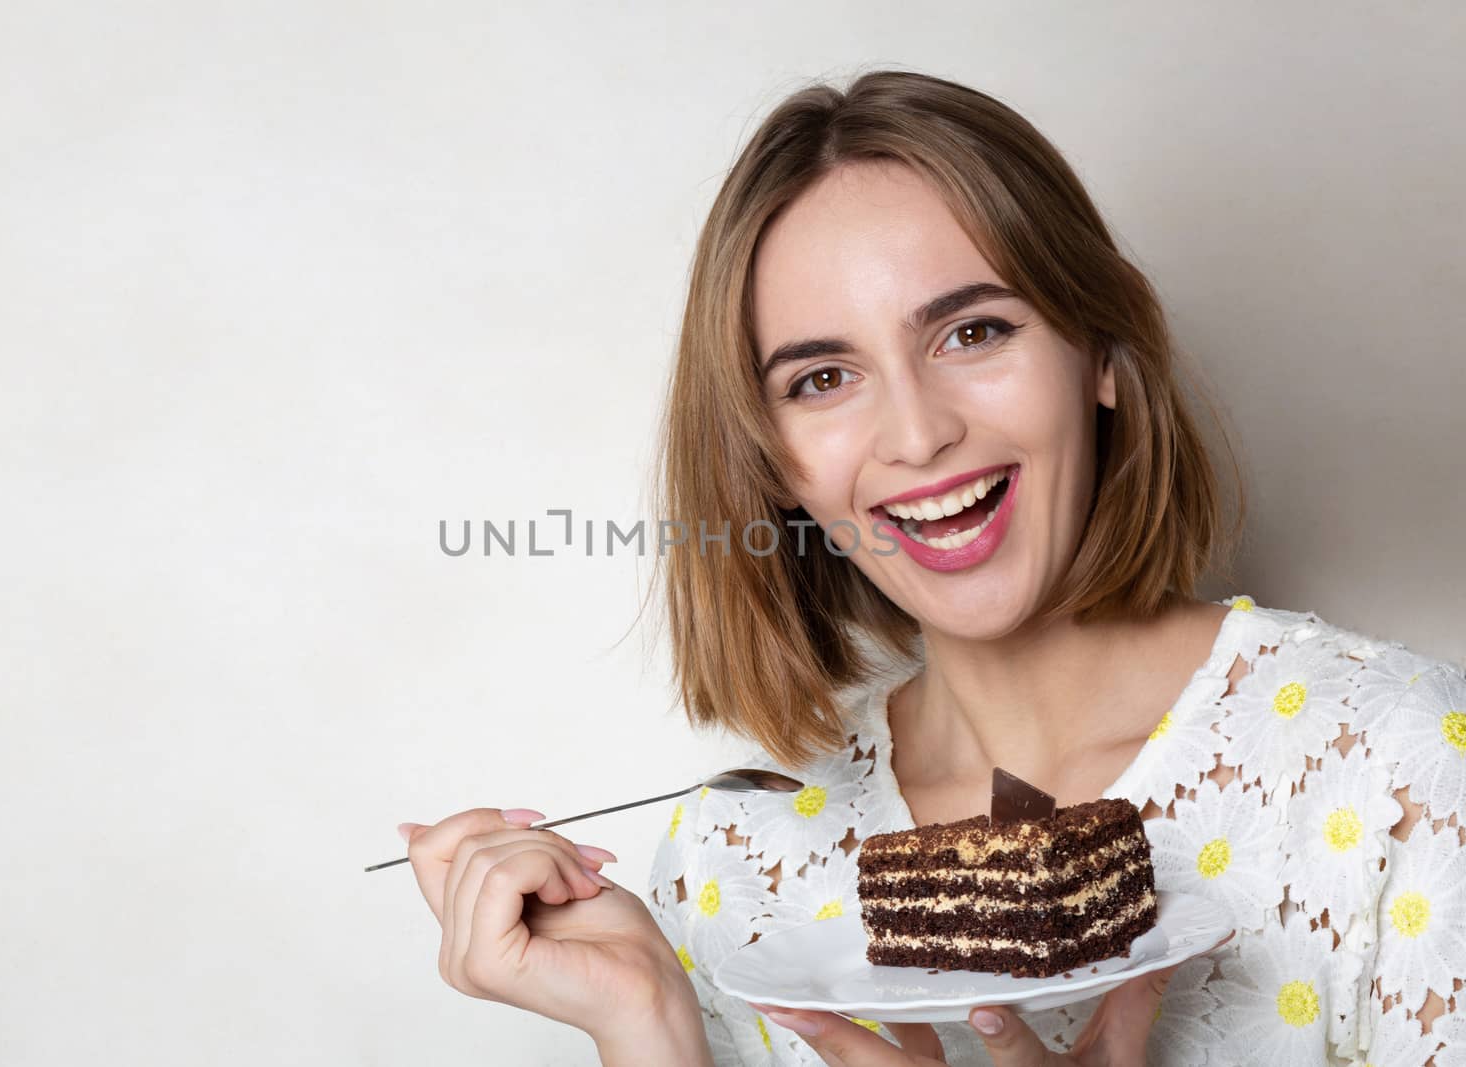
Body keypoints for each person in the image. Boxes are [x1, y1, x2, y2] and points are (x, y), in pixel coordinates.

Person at [400, 70, 1466, 1066]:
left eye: (973, 331)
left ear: (1098, 351)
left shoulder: (1398, 767)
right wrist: (648, 1024)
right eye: (822, 377)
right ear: (770, 459)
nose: (914, 434)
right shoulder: (732, 861)